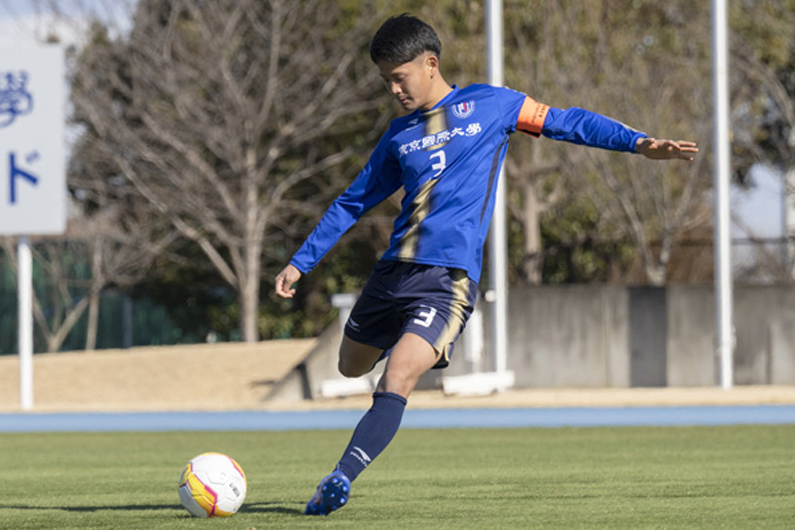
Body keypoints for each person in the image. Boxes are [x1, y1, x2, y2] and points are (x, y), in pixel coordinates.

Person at [274, 13, 698, 516]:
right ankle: (404, 337)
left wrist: (639, 142)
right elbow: (351, 202)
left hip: (446, 282)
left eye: (399, 78)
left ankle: (339, 477)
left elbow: (568, 121)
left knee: (397, 379)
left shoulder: (493, 105)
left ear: (430, 64)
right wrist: (300, 263)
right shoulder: (398, 136)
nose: (393, 90)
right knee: (351, 366)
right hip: (392, 274)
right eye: (385, 80)